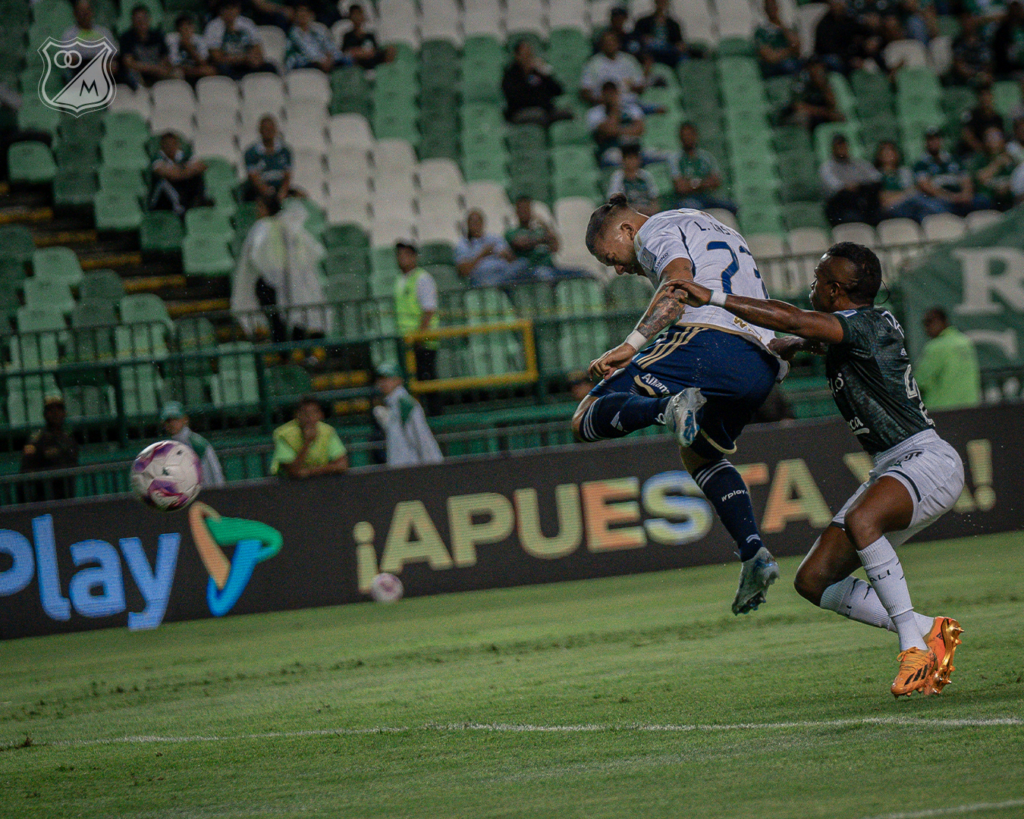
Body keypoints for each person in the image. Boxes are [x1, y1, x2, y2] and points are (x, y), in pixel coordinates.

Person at [672, 243, 966, 699]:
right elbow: (807, 335)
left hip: (925, 459)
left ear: (834, 290)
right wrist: (793, 345)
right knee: (813, 581)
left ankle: (914, 646)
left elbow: (790, 319)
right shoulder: (859, 326)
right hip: (896, 463)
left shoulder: (862, 324)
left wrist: (711, 296)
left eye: (817, 278)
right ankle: (931, 629)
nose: (810, 285)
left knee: (861, 520)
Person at [576, 195, 786, 615]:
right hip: (761, 365)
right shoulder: (713, 224)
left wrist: (631, 344)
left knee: (584, 418)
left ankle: (667, 409)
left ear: (625, 230)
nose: (618, 268)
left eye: (609, 257)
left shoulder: (655, 229)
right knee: (700, 454)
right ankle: (754, 554)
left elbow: (677, 282)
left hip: (709, 340)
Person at [231, 196, 328, 342]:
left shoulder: (263, 226)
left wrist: (272, 273)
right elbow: (313, 250)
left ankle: (284, 352)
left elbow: (255, 253)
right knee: (295, 315)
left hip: (273, 282)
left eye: (260, 207)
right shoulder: (291, 225)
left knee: (280, 319)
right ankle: (294, 349)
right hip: (295, 280)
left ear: (266, 209)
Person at [372, 363, 444, 467]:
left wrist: (435, 467)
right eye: (381, 379)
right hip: (401, 468)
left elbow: (423, 439)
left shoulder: (405, 404)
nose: (384, 383)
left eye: (388, 378)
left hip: (410, 467)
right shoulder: (392, 403)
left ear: (398, 380)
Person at [394, 241, 439, 393]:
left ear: (415, 257)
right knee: (414, 383)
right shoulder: (400, 279)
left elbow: (429, 310)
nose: (402, 258)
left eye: (406, 254)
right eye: (399, 254)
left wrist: (419, 337)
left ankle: (433, 415)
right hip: (407, 339)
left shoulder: (422, 278)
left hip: (421, 341)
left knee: (426, 381)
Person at [914, 308, 982, 409]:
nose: (926, 328)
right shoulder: (965, 342)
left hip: (942, 410)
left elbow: (919, 381)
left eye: (929, 323)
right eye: (925, 324)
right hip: (970, 408)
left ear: (943, 322)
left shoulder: (935, 347)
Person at [19, 394, 79, 503]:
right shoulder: (36, 441)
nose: (55, 413)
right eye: (51, 409)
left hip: (67, 499)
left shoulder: (69, 439)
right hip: (44, 501)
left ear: (64, 413)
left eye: (59, 409)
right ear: (45, 414)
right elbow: (25, 474)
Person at [271, 396, 348, 478]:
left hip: (318, 482)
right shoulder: (283, 434)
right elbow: (293, 471)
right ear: (297, 415)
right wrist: (307, 442)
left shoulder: (328, 431)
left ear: (320, 415)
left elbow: (342, 465)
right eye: (305, 414)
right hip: (286, 485)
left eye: (314, 413)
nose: (310, 418)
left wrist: (310, 471)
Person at [913, 128, 981, 216]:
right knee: (932, 207)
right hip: (940, 199)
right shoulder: (921, 164)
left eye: (936, 139)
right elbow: (926, 186)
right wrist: (951, 197)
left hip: (960, 197)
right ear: (926, 143)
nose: (934, 142)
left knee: (982, 201)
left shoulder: (954, 159)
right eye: (930, 140)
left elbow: (966, 179)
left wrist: (965, 194)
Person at [874, 140, 946, 221]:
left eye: (891, 150)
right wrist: (907, 193)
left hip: (913, 206)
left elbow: (916, 189)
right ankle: (946, 213)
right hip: (894, 209)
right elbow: (886, 202)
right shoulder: (877, 175)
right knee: (920, 201)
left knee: (925, 209)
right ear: (879, 155)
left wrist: (901, 194)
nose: (888, 153)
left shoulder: (905, 171)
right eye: (885, 151)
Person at [670, 121, 735, 212]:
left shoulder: (706, 157)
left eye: (689, 135)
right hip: (687, 199)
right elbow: (681, 187)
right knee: (693, 208)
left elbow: (716, 181)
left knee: (731, 206)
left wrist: (692, 184)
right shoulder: (676, 159)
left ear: (696, 135)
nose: (687, 138)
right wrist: (703, 183)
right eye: (684, 135)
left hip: (707, 196)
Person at [501, 39, 569, 126]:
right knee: (539, 115)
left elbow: (558, 91)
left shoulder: (538, 73)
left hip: (545, 110)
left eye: (530, 55)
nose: (529, 58)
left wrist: (545, 74)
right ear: (517, 56)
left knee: (566, 113)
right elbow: (516, 97)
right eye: (526, 55)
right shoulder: (510, 75)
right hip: (521, 111)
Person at [820, 133, 881, 225]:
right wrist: (852, 185)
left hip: (860, 202)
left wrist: (857, 185)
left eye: (844, 146)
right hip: (840, 207)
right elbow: (836, 187)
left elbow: (876, 178)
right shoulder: (827, 167)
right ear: (833, 149)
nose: (842, 150)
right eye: (839, 147)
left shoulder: (858, 163)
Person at [160, 401, 226, 487]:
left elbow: (215, 475)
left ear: (185, 420)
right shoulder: (165, 446)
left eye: (176, 419)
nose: (172, 424)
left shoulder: (198, 444)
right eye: (168, 421)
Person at [204, 0, 272, 79]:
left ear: (238, 9)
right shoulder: (213, 27)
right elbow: (216, 57)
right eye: (227, 9)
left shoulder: (247, 23)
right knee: (223, 68)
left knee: (269, 67)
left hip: (246, 62)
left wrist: (253, 59)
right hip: (229, 64)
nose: (231, 12)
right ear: (221, 10)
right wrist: (239, 59)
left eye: (233, 8)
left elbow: (257, 48)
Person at [505, 195, 569, 279]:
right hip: (532, 269)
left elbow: (555, 247)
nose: (524, 212)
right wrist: (542, 239)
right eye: (521, 209)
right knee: (545, 275)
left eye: (527, 208)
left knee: (581, 273)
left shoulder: (540, 230)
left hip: (550, 267)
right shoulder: (512, 232)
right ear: (516, 212)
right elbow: (521, 243)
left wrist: (546, 227)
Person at [455, 210, 521, 287]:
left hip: (504, 271)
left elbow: (512, 259)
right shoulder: (464, 244)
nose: (475, 225)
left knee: (523, 264)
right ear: (468, 225)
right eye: (472, 222)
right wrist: (482, 254)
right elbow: (464, 271)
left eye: (478, 221)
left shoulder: (495, 238)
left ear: (482, 223)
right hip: (483, 277)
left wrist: (505, 255)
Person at [587, 81, 645, 167]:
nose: (610, 96)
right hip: (611, 150)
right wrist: (614, 109)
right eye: (607, 93)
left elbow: (639, 129)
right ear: (602, 94)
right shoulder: (594, 112)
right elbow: (608, 131)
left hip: (634, 150)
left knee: (665, 157)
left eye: (613, 92)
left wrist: (617, 131)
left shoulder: (631, 108)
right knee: (617, 162)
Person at [580, 30, 646, 106]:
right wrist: (603, 100)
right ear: (601, 45)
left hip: (628, 103)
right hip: (603, 105)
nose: (610, 44)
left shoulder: (629, 60)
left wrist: (627, 87)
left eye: (612, 41)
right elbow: (585, 91)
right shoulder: (592, 63)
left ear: (619, 44)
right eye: (606, 42)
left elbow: (640, 85)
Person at [149, 131, 208, 215]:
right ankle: (180, 207)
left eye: (172, 144)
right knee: (164, 182)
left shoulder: (184, 155)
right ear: (162, 146)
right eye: (167, 144)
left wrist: (180, 172)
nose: (170, 147)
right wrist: (186, 170)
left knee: (197, 177)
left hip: (181, 188)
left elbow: (201, 166)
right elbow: (167, 173)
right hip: (162, 200)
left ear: (177, 144)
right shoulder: (157, 157)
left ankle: (198, 203)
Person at [119, 4, 173, 88]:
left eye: (144, 18)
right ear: (132, 21)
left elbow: (165, 58)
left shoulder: (158, 35)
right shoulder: (126, 37)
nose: (141, 22)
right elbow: (128, 62)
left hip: (157, 70)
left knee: (176, 73)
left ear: (149, 19)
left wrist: (161, 68)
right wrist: (153, 68)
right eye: (138, 19)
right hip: (139, 72)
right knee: (132, 74)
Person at [784, 59, 844, 131]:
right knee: (802, 118)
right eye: (814, 67)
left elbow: (832, 105)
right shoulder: (800, 82)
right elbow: (798, 106)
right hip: (801, 115)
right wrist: (825, 113)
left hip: (820, 114)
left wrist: (823, 86)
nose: (818, 71)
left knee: (839, 117)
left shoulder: (825, 82)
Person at [244, 115, 293, 202]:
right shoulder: (251, 153)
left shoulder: (285, 151)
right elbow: (254, 178)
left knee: (302, 196)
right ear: (260, 130)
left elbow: (287, 175)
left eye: (271, 129)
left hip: (279, 190)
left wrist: (283, 192)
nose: (269, 132)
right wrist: (269, 193)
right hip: (259, 192)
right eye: (265, 129)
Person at [285, 0, 345, 71]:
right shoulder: (293, 33)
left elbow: (330, 46)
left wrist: (330, 58)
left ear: (310, 14)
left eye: (305, 13)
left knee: (346, 60)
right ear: (296, 15)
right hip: (304, 62)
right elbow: (307, 51)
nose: (303, 15)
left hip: (323, 61)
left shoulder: (318, 29)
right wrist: (322, 61)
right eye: (300, 13)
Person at [969, 126, 1018, 209]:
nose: (993, 139)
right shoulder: (980, 159)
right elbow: (980, 178)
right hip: (988, 198)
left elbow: (1018, 178)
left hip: (1009, 197)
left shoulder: (1012, 157)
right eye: (989, 137)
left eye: (996, 136)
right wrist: (997, 164)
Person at [60, 0, 118, 68]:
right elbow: (71, 60)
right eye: (81, 12)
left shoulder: (103, 32)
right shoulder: (69, 35)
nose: (85, 15)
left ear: (91, 12)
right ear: (75, 14)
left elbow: (114, 53)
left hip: (104, 68)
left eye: (87, 11)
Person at [607, 144, 660, 215]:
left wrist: (652, 210)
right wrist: (636, 209)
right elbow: (614, 201)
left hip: (647, 212)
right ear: (623, 160)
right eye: (629, 158)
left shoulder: (645, 175)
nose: (632, 162)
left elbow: (654, 198)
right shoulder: (618, 176)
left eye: (635, 158)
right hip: (629, 213)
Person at [633, 0, 687, 67]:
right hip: (651, 49)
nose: (662, 4)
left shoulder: (673, 24)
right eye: (660, 2)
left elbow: (679, 41)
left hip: (669, 50)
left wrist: (679, 46)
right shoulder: (643, 22)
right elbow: (636, 37)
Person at [755, 0, 802, 77]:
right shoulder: (761, 32)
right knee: (789, 65)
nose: (772, 9)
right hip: (773, 67)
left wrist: (782, 27)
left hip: (792, 61)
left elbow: (797, 47)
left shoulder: (786, 28)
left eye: (773, 6)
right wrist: (789, 51)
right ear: (765, 9)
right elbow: (770, 57)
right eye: (769, 7)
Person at [341, 4, 395, 69]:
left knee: (391, 50)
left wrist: (369, 53)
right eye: (354, 14)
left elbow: (375, 50)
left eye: (359, 14)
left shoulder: (370, 35)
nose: (357, 17)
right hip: (357, 65)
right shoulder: (347, 36)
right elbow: (346, 52)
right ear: (350, 17)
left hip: (372, 61)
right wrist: (361, 53)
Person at [166, 13, 216, 82]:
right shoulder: (171, 39)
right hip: (181, 69)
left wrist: (189, 48)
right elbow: (174, 63)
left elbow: (203, 62)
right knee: (177, 73)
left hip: (196, 68)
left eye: (189, 25)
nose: (187, 29)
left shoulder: (200, 40)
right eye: (183, 26)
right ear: (178, 29)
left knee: (210, 71)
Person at [949, 14, 994, 87]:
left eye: (970, 21)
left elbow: (988, 62)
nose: (968, 24)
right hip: (965, 78)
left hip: (982, 76)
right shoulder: (957, 42)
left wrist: (984, 74)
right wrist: (974, 75)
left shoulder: (983, 41)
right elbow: (958, 65)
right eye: (966, 22)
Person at [960, 86, 1004, 156]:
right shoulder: (971, 116)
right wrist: (981, 150)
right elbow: (967, 136)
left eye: (987, 96)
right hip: (974, 152)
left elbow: (1001, 138)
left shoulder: (997, 118)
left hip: (993, 151)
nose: (985, 99)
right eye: (983, 96)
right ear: (979, 98)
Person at [992, 0, 1024, 76]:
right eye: (1013, 9)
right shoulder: (1002, 31)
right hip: (1008, 72)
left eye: (1018, 9)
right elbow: (999, 55)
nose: (1015, 12)